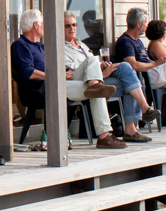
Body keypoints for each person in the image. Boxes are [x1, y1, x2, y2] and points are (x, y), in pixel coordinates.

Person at [11, 9, 119, 147]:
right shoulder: (20, 45)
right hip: (42, 89)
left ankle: (94, 83)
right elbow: (28, 72)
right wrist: (55, 76)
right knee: (97, 92)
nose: (46, 26)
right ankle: (105, 136)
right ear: (35, 25)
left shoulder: (41, 46)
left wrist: (63, 74)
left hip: (57, 82)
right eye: (43, 23)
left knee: (91, 61)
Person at [64, 11, 152, 149]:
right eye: (67, 26)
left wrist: (102, 67)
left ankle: (131, 127)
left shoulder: (81, 44)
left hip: (95, 76)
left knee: (126, 72)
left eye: (74, 25)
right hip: (79, 80)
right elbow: (71, 72)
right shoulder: (60, 47)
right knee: (93, 62)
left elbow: (91, 65)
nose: (72, 28)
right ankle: (96, 84)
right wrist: (100, 74)